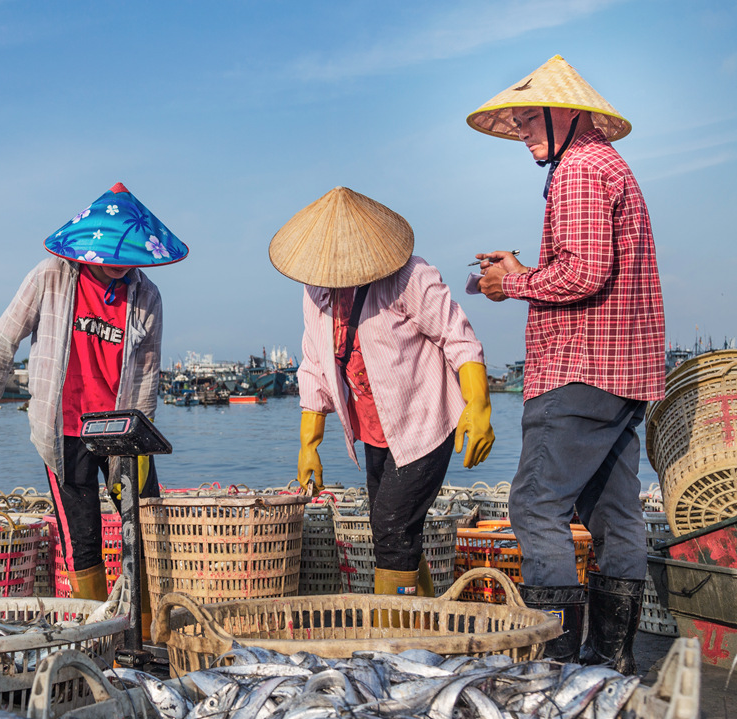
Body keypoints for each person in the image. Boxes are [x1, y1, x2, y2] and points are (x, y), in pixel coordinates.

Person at [467, 55, 665, 671]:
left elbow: (583, 272)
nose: (522, 131)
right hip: (622, 373)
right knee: (613, 511)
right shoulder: (607, 165)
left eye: (529, 120)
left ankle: (552, 663)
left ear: (565, 115)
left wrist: (514, 279)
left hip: (580, 369)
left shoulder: (578, 169)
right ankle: (612, 660)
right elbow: (587, 261)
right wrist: (519, 268)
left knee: (534, 505)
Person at [0, 183, 187, 619]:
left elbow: (147, 375)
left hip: (123, 430)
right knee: (81, 537)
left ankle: (143, 623)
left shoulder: (146, 296)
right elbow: (4, 338)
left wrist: (139, 443)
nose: (121, 264)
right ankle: (99, 630)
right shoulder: (50, 276)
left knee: (142, 527)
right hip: (63, 430)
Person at [269, 186, 494, 607]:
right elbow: (314, 365)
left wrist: (479, 406)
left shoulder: (409, 276)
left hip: (426, 420)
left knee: (390, 526)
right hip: (375, 430)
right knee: (395, 529)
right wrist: (308, 446)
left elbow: (459, 339)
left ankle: (399, 639)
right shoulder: (315, 293)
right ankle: (426, 621)